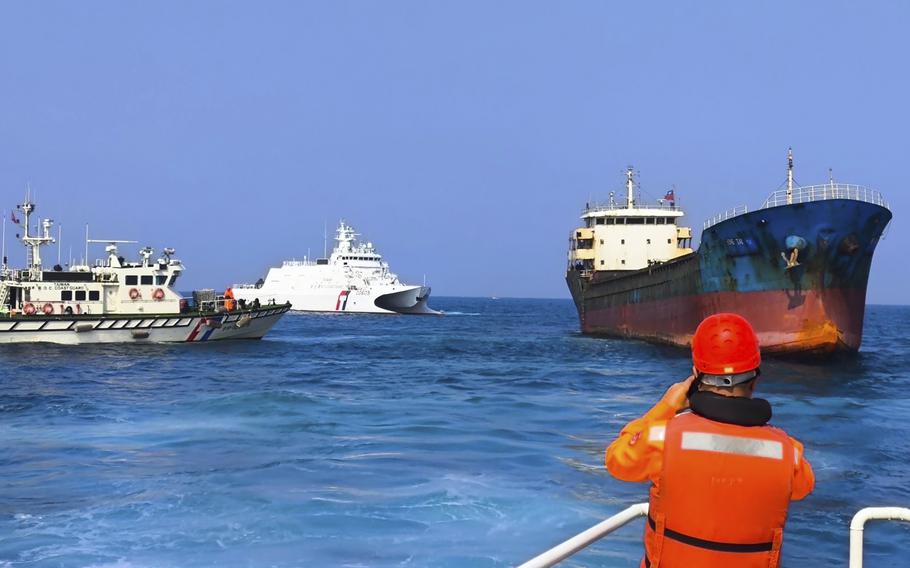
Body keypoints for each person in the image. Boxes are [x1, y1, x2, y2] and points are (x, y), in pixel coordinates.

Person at [605, 313, 814, 568]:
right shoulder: (788, 454)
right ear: (756, 378)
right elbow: (803, 487)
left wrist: (667, 405)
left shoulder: (663, 440)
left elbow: (617, 460)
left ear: (695, 376)